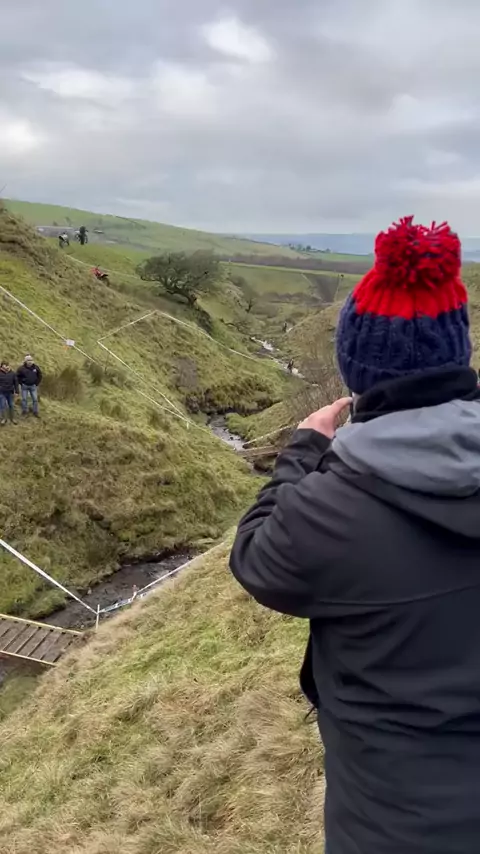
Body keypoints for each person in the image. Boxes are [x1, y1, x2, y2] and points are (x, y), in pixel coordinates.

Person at [229, 216, 480, 854]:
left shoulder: (331, 507)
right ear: (459, 356)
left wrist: (303, 449)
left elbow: (256, 558)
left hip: (393, 822)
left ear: (356, 371)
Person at [0, 361, 18, 425]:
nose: (6, 366)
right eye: (4, 365)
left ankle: (13, 418)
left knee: (11, 405)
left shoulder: (12, 373)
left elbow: (16, 383)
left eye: (7, 365)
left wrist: (17, 391)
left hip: (10, 392)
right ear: (2, 366)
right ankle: (4, 419)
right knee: (2, 405)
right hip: (1, 393)